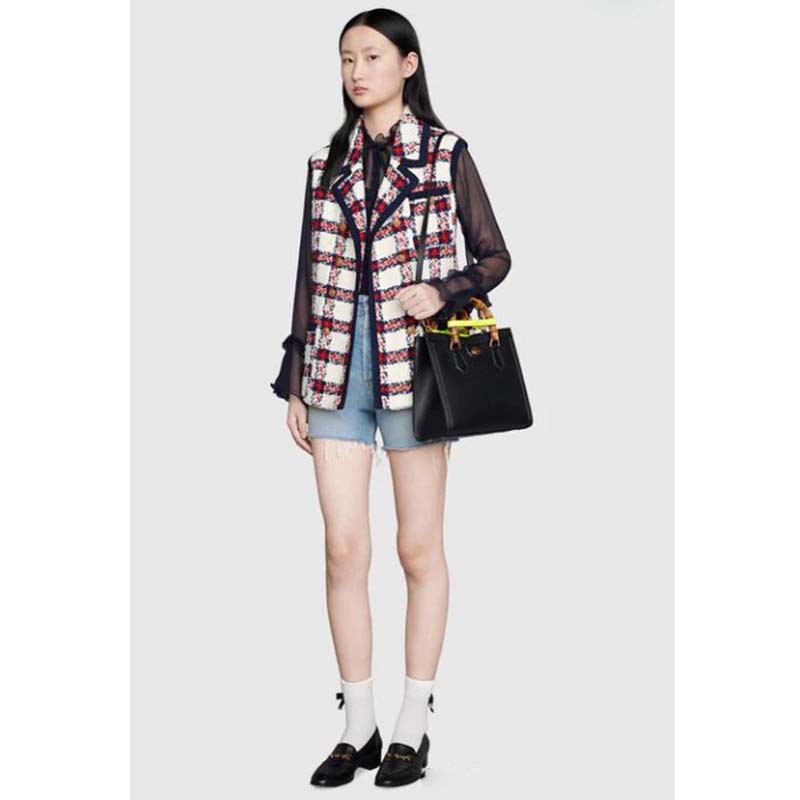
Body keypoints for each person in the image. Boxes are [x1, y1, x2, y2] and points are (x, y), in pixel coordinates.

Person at [270, 8, 511, 788]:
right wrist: (296, 378)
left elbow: (495, 255)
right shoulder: (324, 163)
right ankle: (358, 723)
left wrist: (441, 289)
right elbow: (308, 272)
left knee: (417, 549)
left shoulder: (444, 153)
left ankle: (414, 719)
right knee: (343, 549)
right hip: (336, 365)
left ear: (408, 64)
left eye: (372, 56)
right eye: (347, 58)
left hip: (418, 366)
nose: (357, 71)